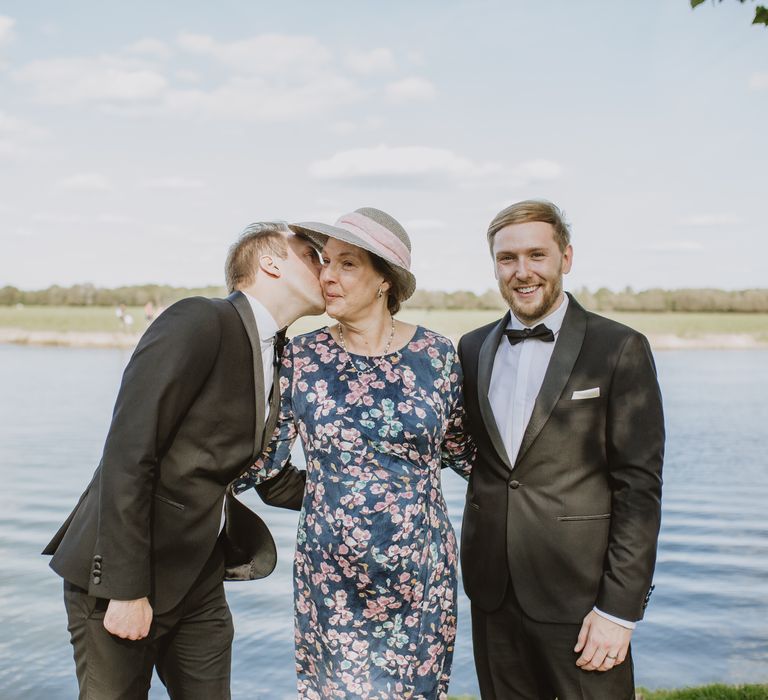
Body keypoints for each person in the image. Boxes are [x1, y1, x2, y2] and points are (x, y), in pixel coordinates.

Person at [43, 222, 326, 699]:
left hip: (200, 578)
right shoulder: (199, 319)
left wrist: (376, 491)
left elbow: (265, 476)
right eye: (312, 254)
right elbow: (129, 453)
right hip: (126, 576)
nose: (325, 266)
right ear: (270, 263)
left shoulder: (276, 354)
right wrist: (126, 590)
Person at [234, 208, 475, 699]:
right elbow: (265, 462)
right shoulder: (302, 357)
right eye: (325, 262)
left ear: (385, 279)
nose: (327, 275)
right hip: (333, 580)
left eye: (347, 264)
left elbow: (465, 453)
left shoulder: (438, 355)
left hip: (421, 578)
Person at [458, 200, 665, 700]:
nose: (522, 272)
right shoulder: (470, 348)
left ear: (565, 258)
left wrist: (619, 610)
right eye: (507, 258)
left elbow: (639, 488)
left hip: (583, 599)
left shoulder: (619, 347)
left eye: (537, 255)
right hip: (492, 594)